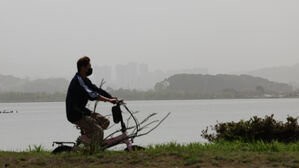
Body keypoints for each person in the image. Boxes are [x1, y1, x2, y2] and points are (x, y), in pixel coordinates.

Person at [65, 56, 125, 147]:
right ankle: (93, 150)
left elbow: (97, 90)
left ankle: (88, 139)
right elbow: (92, 94)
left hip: (83, 110)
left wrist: (112, 98)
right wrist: (109, 100)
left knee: (105, 122)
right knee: (98, 131)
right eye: (89, 66)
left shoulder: (85, 79)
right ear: (83, 68)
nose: (90, 69)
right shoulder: (78, 81)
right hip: (75, 113)